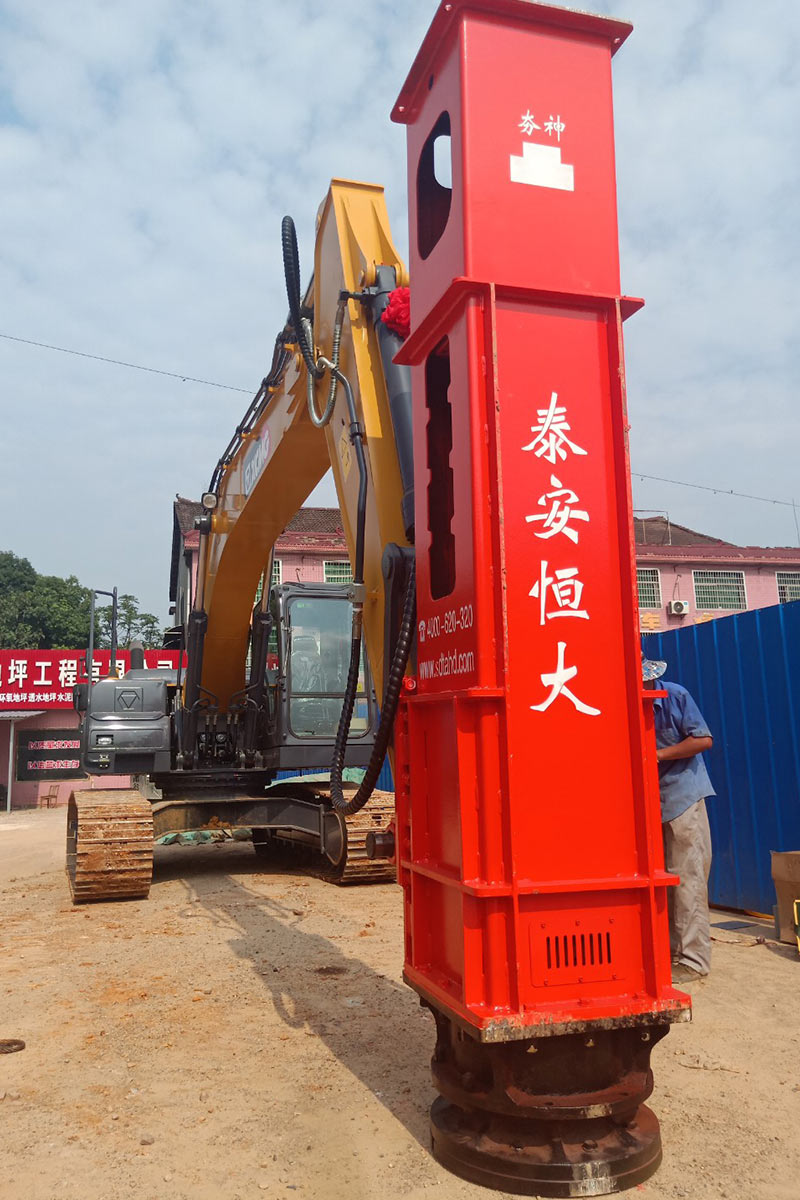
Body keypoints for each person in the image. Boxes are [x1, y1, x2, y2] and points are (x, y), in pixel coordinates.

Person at [642, 657, 715, 984]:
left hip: (684, 796)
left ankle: (694, 960)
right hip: (651, 801)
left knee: (688, 878)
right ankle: (672, 952)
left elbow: (703, 739)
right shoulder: (627, 703)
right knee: (665, 880)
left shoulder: (675, 695)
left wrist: (656, 754)